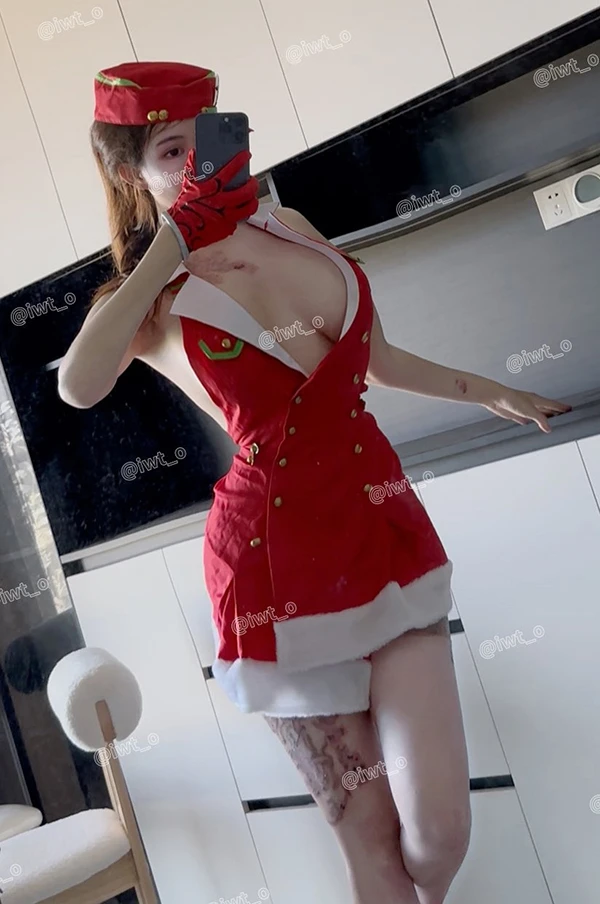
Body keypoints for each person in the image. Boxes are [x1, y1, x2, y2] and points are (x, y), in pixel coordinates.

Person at [58, 61, 570, 904]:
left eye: (205, 139)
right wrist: (173, 245)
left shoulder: (289, 224)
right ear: (129, 174)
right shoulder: (149, 301)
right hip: (271, 569)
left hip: (380, 528)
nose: (196, 162)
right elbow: (78, 385)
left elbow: (379, 359)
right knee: (372, 850)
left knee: (440, 832)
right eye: (170, 151)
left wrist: (491, 390)